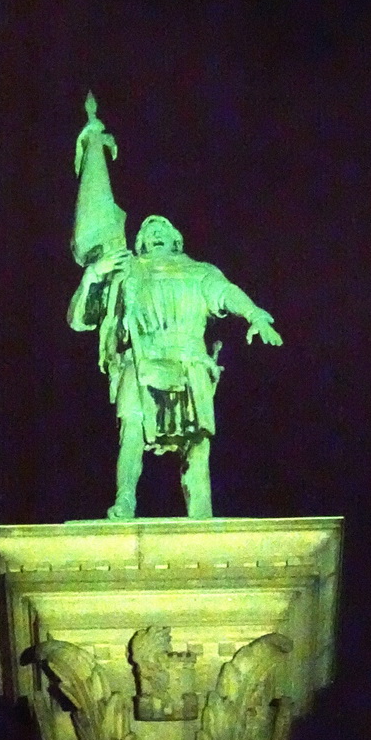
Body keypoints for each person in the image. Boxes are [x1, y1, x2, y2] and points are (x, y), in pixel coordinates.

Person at [68, 213, 282, 519]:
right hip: (141, 360)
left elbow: (225, 293)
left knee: (197, 439)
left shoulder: (198, 271)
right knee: (132, 424)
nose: (155, 233)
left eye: (162, 229)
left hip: (189, 360)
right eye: (148, 231)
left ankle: (201, 510)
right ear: (139, 243)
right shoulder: (126, 271)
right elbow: (80, 320)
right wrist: (93, 276)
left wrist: (255, 315)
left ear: (176, 240)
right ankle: (125, 499)